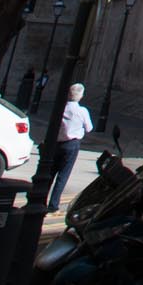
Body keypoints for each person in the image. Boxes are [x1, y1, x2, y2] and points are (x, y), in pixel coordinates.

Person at [44, 82, 94, 213]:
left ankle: (41, 199)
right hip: (71, 144)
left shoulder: (61, 108)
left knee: (50, 173)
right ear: (81, 96)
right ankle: (53, 204)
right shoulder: (82, 111)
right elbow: (89, 128)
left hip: (57, 143)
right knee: (63, 175)